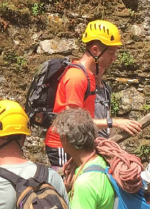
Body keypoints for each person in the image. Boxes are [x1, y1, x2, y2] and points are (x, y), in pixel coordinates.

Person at [44, 20, 141, 168]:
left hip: (77, 144)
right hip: (63, 146)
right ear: (95, 50)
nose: (114, 58)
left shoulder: (89, 76)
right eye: (111, 53)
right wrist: (114, 122)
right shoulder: (76, 77)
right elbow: (74, 123)